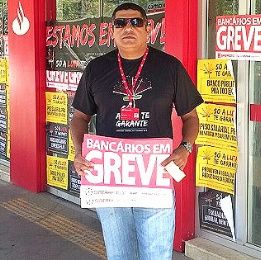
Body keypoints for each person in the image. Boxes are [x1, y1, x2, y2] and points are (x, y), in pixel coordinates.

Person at [70, 3, 203, 260]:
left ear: (147, 28)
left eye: (135, 22)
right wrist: (78, 151)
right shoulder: (96, 69)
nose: (128, 28)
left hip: (154, 179)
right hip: (109, 182)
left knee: (156, 255)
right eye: (120, 23)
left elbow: (191, 117)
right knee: (120, 255)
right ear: (112, 30)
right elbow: (79, 117)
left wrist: (185, 148)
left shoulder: (170, 67)